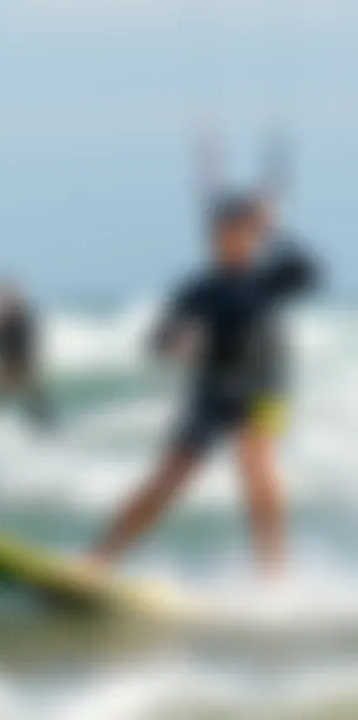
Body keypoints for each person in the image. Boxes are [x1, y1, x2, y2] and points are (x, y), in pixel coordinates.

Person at [88, 192, 319, 576]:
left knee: (256, 466)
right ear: (213, 237)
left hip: (265, 391)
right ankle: (100, 558)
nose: (234, 239)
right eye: (226, 231)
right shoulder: (200, 288)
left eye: (245, 232)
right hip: (212, 392)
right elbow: (159, 341)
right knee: (168, 477)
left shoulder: (270, 280)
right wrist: (175, 345)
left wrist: (275, 228)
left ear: (255, 236)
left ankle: (274, 577)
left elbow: (311, 272)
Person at [0, 279, 53, 429]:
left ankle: (48, 431)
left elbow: (29, 344)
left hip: (20, 367)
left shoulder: (21, 319)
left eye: (4, 298)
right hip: (7, 368)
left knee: (36, 405)